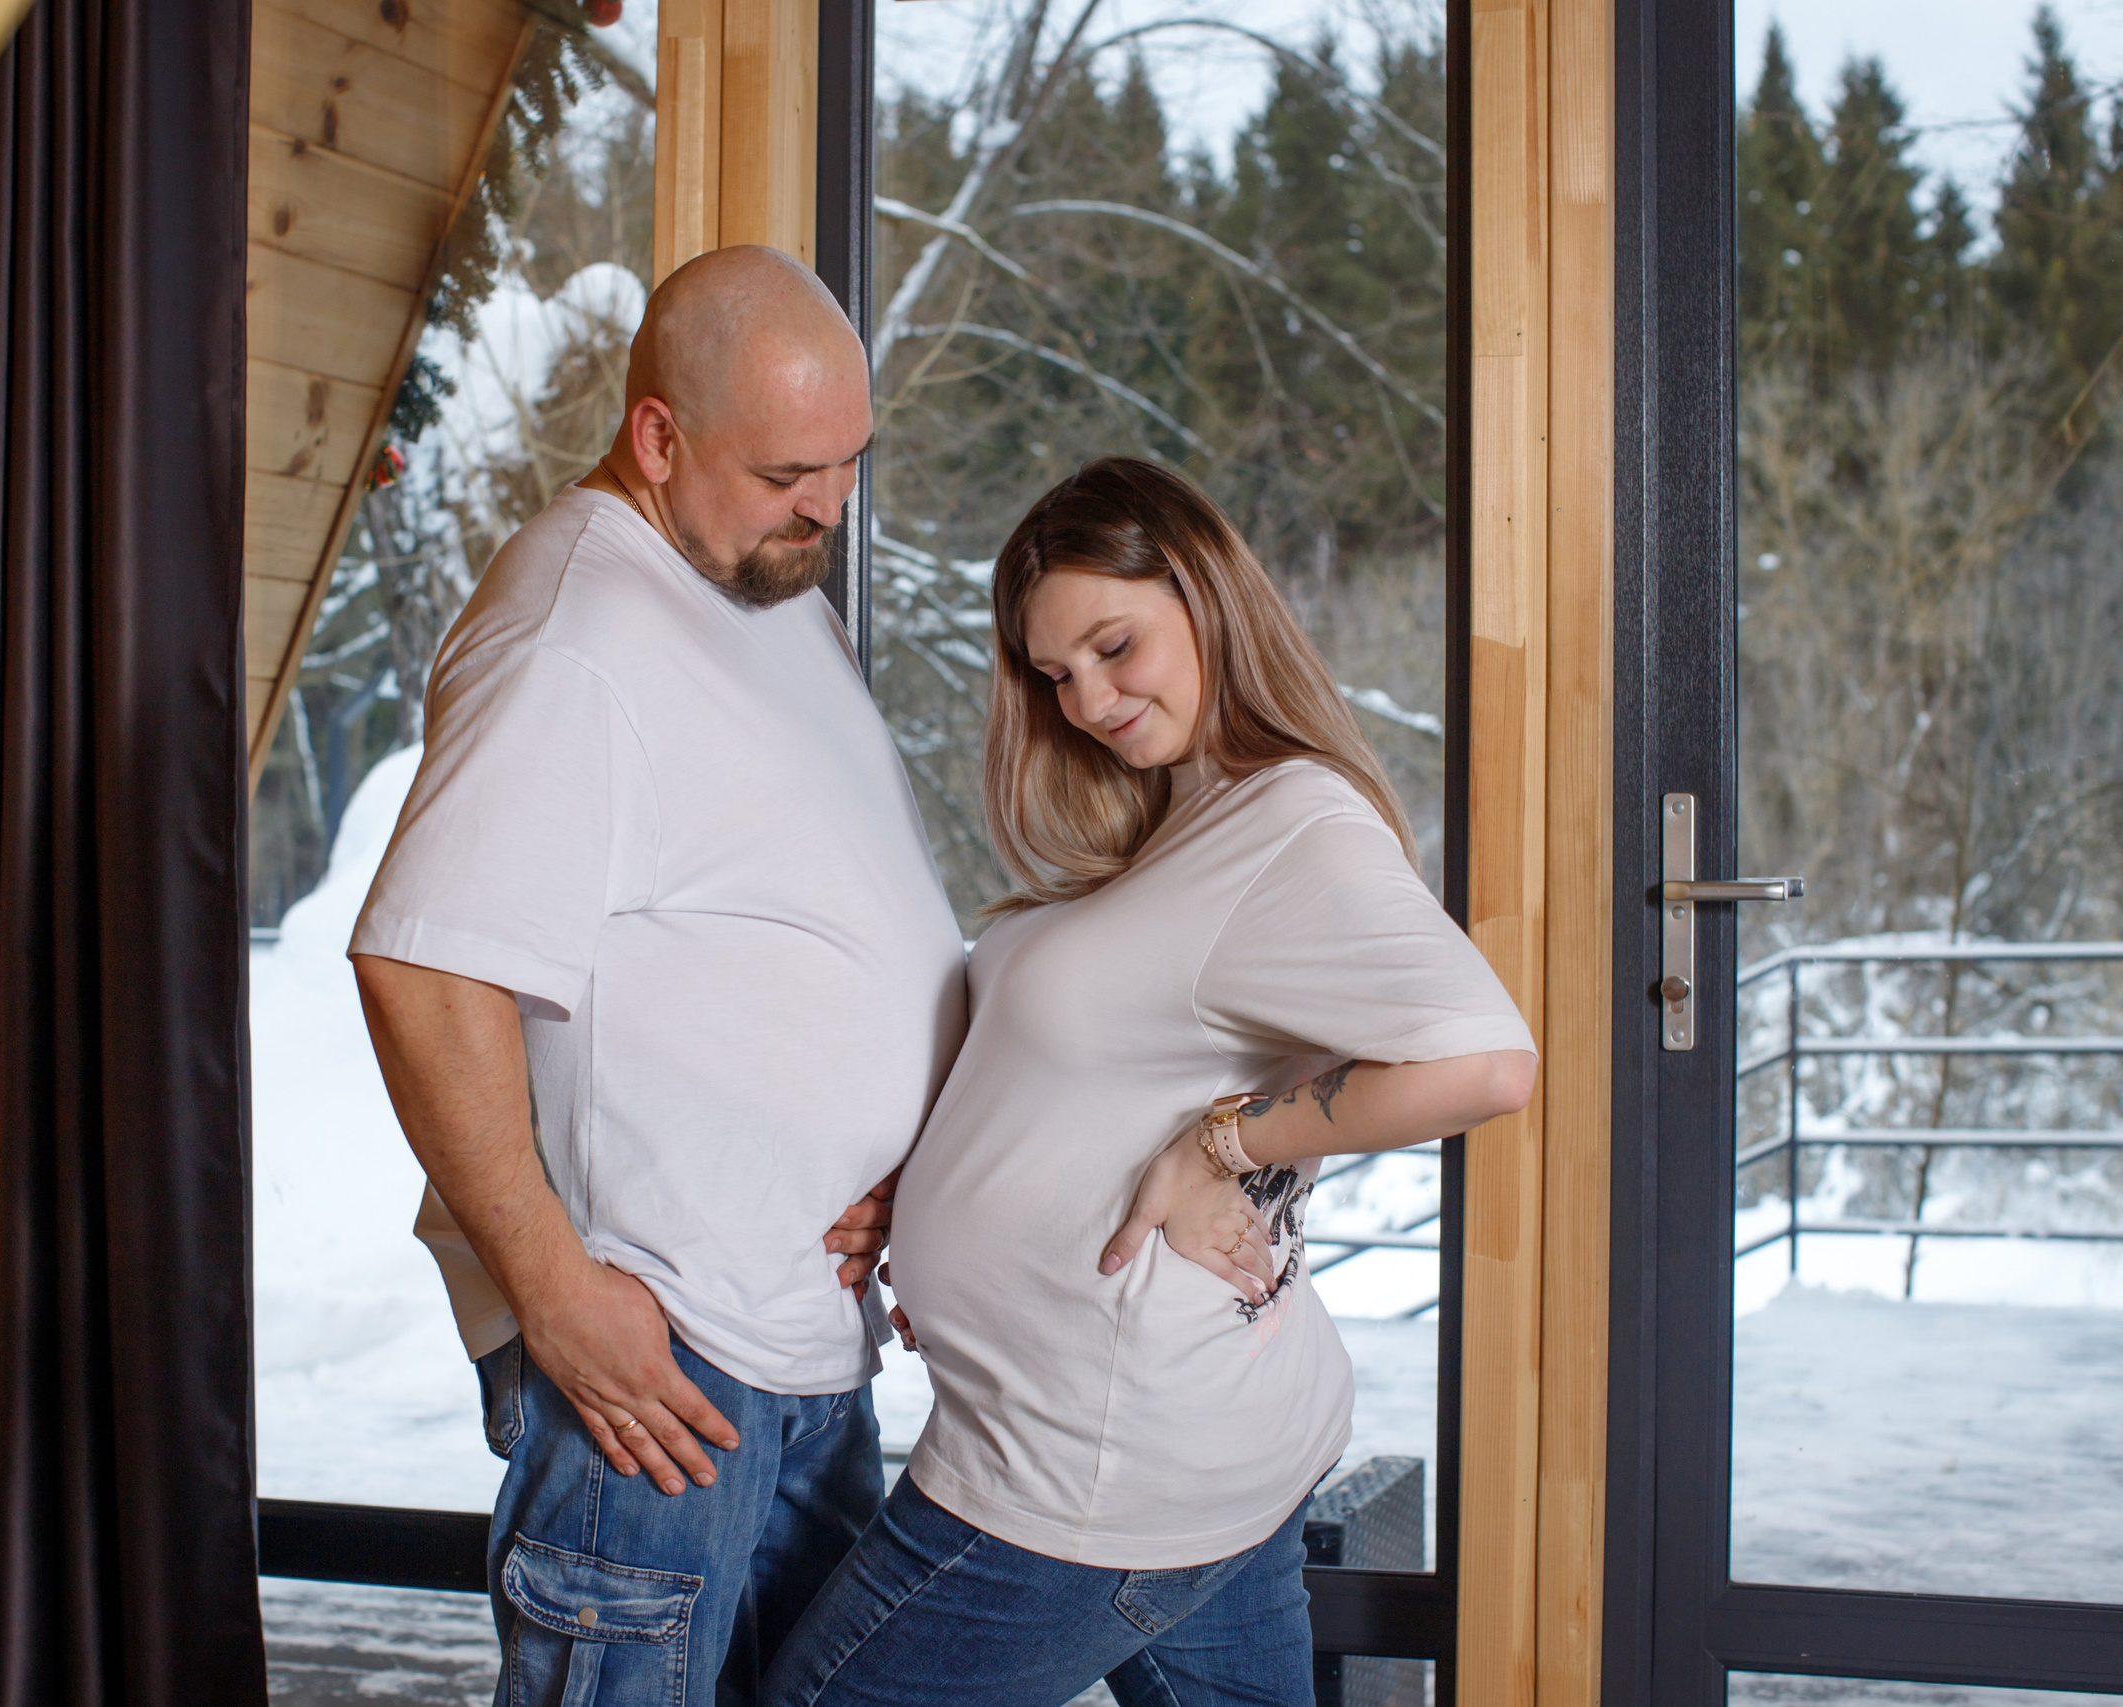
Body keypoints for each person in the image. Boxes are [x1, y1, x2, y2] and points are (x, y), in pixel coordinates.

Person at [762, 457, 1537, 1707]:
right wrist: (949, 1187)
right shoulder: (1187, 818)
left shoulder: (1295, 826)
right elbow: (1097, 1058)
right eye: (1056, 674)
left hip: (1091, 1473)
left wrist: (1219, 1144)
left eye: (1116, 646)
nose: (1090, 699)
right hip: (1178, 1437)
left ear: (1207, 595)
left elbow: (1486, 1063)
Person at [349, 245, 969, 1707]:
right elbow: (421, 965)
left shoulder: (755, 585)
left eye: (847, 461)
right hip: (666, 1369)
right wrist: (552, 1289)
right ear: (657, 436)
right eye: (787, 470)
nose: (827, 502)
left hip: (798, 1341)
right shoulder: (578, 630)